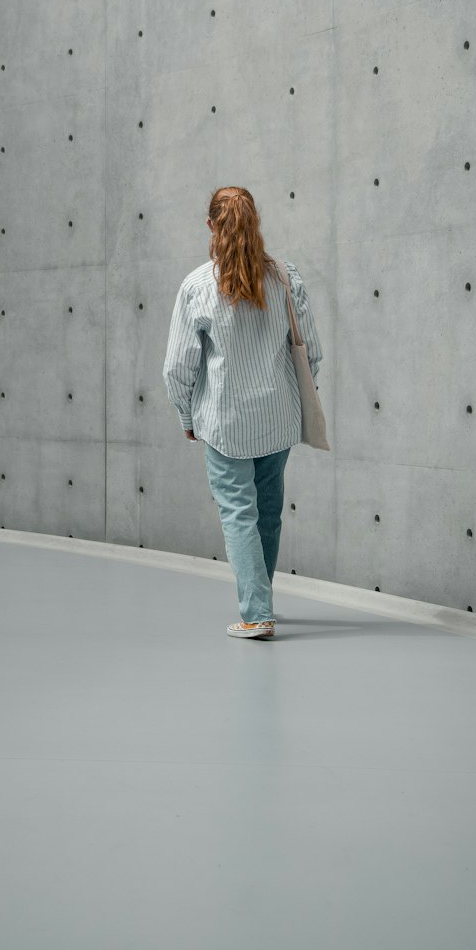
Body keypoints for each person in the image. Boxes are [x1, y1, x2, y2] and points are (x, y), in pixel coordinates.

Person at [162, 186, 323, 640]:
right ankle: (262, 600)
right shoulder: (286, 277)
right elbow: (311, 354)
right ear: (256, 224)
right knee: (268, 512)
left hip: (224, 422)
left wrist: (186, 416)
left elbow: (177, 367)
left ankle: (257, 614)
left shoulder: (197, 286)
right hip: (278, 419)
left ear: (211, 226)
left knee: (238, 513)